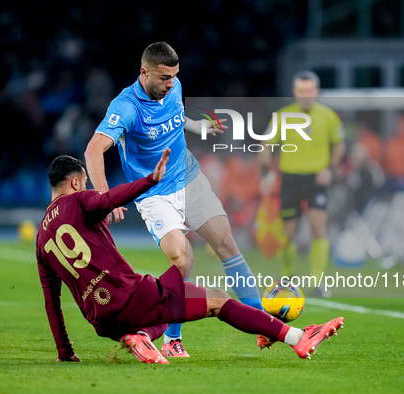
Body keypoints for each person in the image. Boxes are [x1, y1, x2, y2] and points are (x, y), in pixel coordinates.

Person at [35, 151, 344, 364]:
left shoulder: (40, 241)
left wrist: (64, 351)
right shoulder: (79, 200)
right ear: (75, 182)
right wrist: (149, 181)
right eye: (85, 182)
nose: (86, 186)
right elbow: (111, 198)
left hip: (103, 322)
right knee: (219, 299)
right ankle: (299, 338)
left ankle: (142, 337)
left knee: (170, 303)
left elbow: (52, 302)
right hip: (134, 297)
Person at [85, 42, 270, 356]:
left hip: (190, 178)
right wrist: (106, 196)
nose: (171, 83)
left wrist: (198, 126)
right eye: (164, 78)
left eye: (174, 76)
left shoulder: (173, 85)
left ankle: (264, 325)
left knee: (226, 243)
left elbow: (176, 117)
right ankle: (171, 338)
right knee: (182, 259)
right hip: (154, 194)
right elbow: (93, 149)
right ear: (144, 73)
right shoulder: (126, 107)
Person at [260, 71, 345, 297]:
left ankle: (317, 281)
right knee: (288, 232)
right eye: (301, 91)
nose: (306, 95)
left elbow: (338, 145)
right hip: (290, 179)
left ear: (316, 92)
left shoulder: (328, 117)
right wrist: (265, 171)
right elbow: (266, 145)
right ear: (295, 92)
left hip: (317, 178)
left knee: (319, 226)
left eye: (309, 91)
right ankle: (287, 277)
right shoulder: (282, 116)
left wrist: (330, 169)